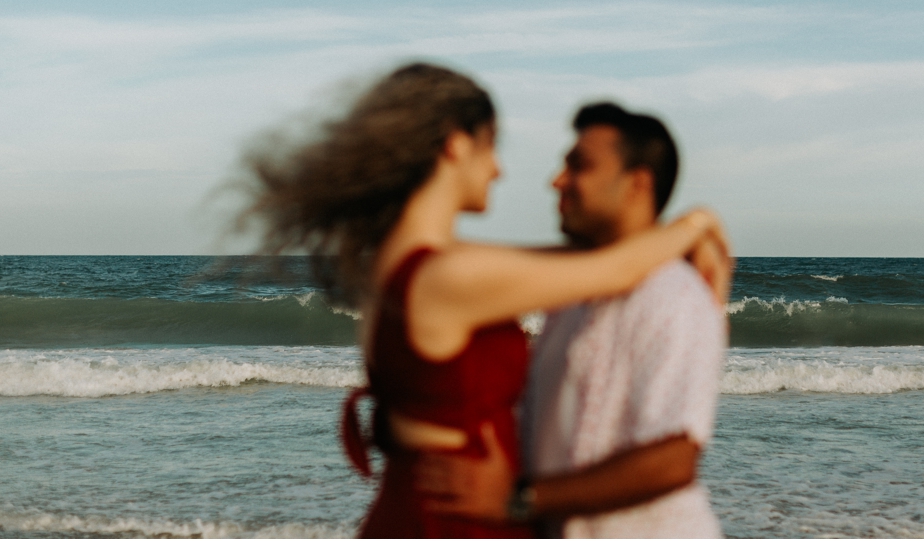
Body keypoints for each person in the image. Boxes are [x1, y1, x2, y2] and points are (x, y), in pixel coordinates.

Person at [240, 64, 732, 538]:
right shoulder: (446, 275)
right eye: (491, 145)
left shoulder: (406, 259)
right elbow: (615, 269)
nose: (498, 170)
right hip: (455, 520)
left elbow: (571, 259)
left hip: (430, 505)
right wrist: (696, 224)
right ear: (455, 143)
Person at [414, 102, 731, 537]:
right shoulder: (568, 293)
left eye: (578, 166)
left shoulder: (676, 296)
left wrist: (519, 497)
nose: (556, 181)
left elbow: (672, 460)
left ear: (637, 184)